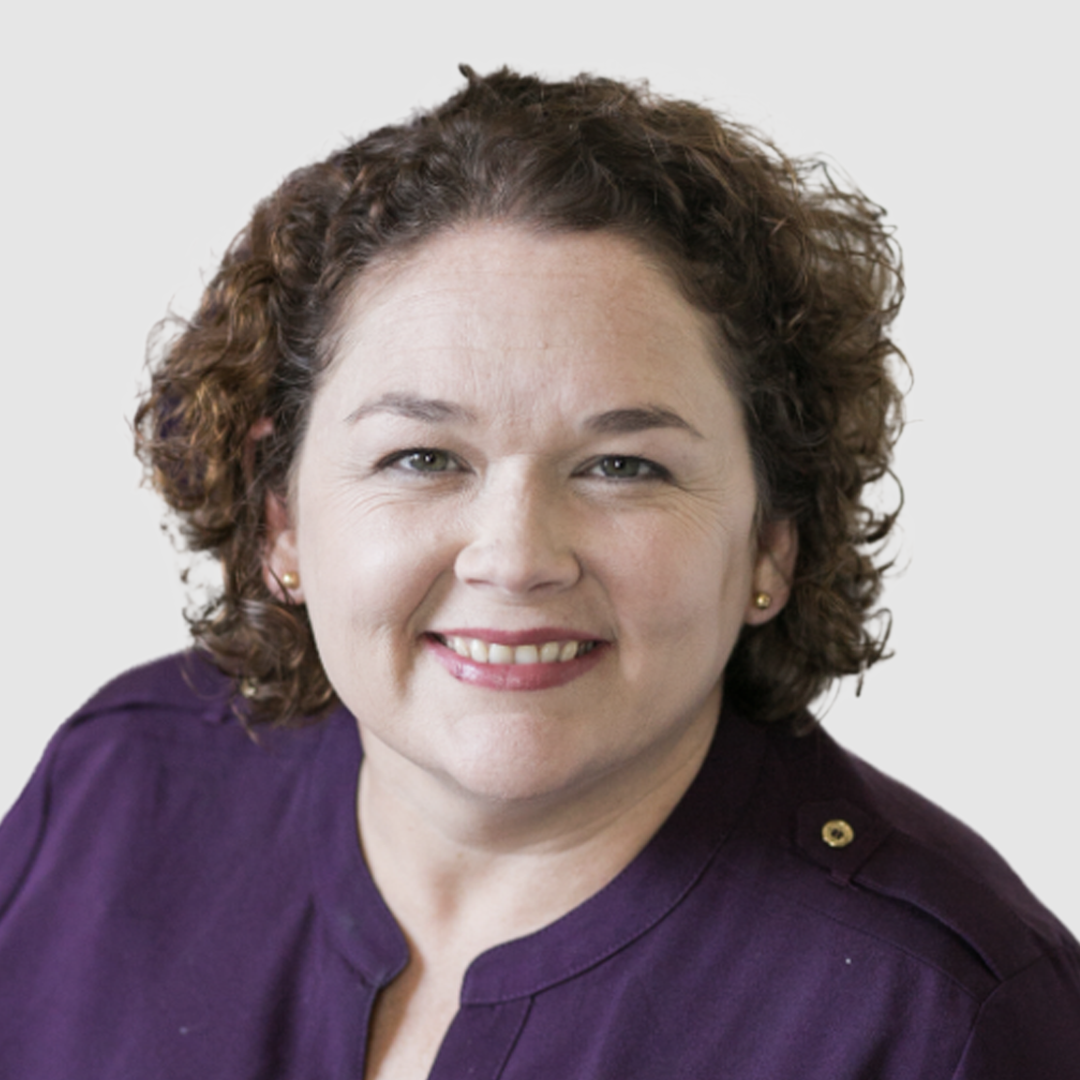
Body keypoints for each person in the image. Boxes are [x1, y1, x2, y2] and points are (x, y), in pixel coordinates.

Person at [1, 65, 1077, 1079]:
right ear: (281, 518)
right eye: (422, 458)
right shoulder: (117, 794)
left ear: (771, 542)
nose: (515, 557)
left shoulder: (943, 1020)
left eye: (623, 466)